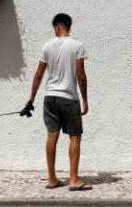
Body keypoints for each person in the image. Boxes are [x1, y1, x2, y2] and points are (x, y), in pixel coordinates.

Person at [26, 13, 91, 191]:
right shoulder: (77, 45)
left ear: (57, 27)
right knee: (75, 136)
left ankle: (52, 179)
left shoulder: (47, 46)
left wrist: (31, 99)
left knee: (52, 135)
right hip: (69, 98)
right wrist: (85, 99)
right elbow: (81, 75)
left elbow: (39, 74)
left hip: (50, 97)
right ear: (68, 27)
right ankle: (73, 180)